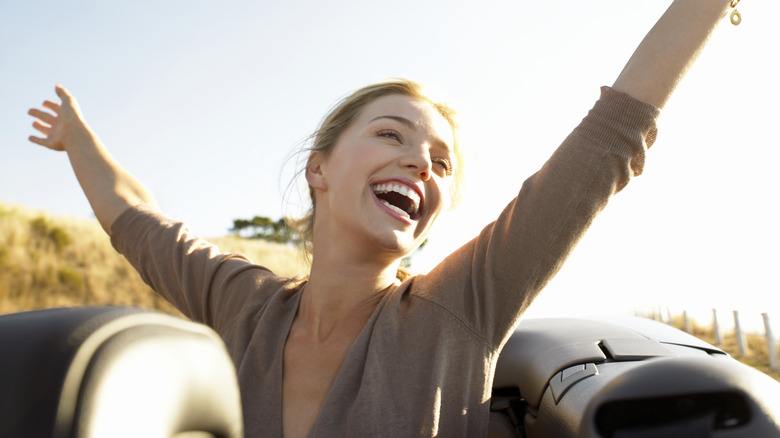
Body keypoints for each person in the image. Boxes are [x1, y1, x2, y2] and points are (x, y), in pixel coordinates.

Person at [27, 1, 743, 436]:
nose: (421, 165)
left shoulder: (460, 305)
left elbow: (608, 139)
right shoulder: (241, 305)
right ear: (320, 170)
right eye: (392, 135)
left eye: (441, 162)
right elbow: (137, 222)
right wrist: (78, 142)